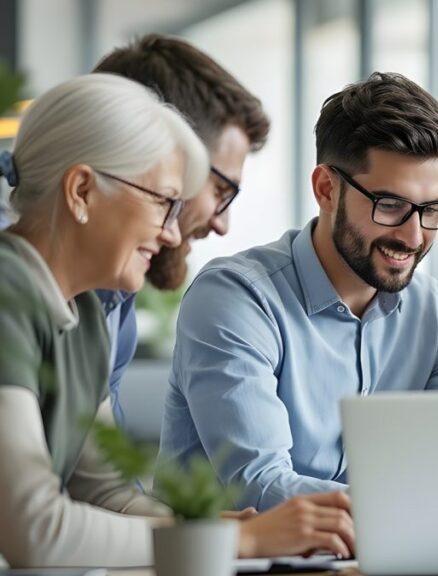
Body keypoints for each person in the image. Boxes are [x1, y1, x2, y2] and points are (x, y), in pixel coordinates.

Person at [0, 74, 354, 568]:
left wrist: (199, 530)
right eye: (163, 202)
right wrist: (236, 543)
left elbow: (104, 493)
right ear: (81, 190)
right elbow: (34, 528)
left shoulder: (83, 314)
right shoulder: (7, 291)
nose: (171, 235)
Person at [159, 72, 438, 511]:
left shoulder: (427, 309)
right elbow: (259, 485)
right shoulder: (236, 298)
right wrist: (410, 508)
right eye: (391, 205)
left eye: (432, 209)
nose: (414, 236)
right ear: (326, 189)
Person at [90, 34, 270, 426]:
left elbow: (98, 474)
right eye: (220, 190)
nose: (222, 224)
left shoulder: (114, 301)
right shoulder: (18, 284)